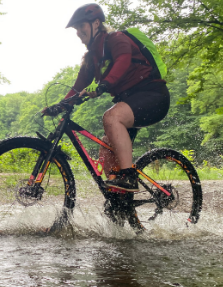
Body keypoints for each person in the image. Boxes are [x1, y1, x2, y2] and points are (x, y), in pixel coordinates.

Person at [42, 3, 170, 192]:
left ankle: (128, 177)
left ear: (95, 23)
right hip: (129, 102)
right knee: (107, 149)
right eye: (76, 29)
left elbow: (123, 61)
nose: (78, 32)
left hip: (153, 96)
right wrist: (59, 106)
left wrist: (104, 85)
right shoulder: (91, 58)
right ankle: (118, 203)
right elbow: (77, 87)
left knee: (111, 117)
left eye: (81, 26)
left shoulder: (117, 39)